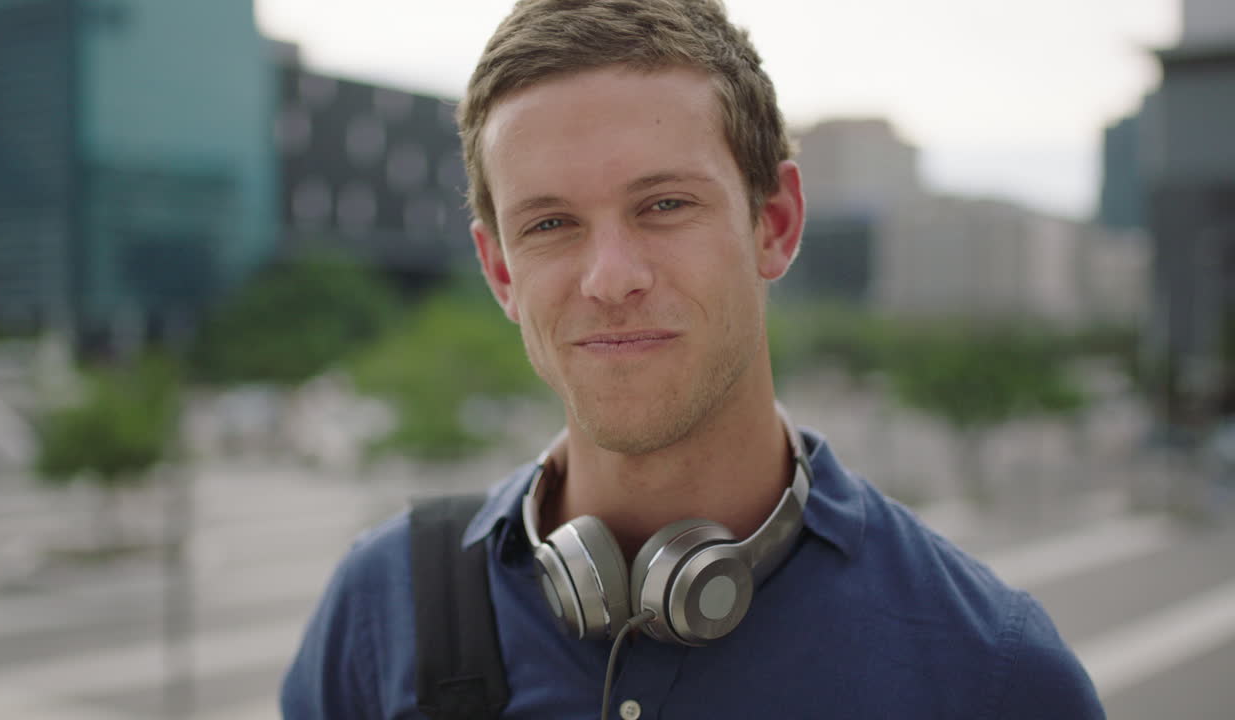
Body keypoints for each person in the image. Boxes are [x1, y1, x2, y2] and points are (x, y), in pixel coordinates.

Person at [281, 1, 1105, 717]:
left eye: (665, 205)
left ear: (775, 225)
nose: (611, 279)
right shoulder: (378, 614)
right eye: (550, 225)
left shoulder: (993, 678)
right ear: (500, 271)